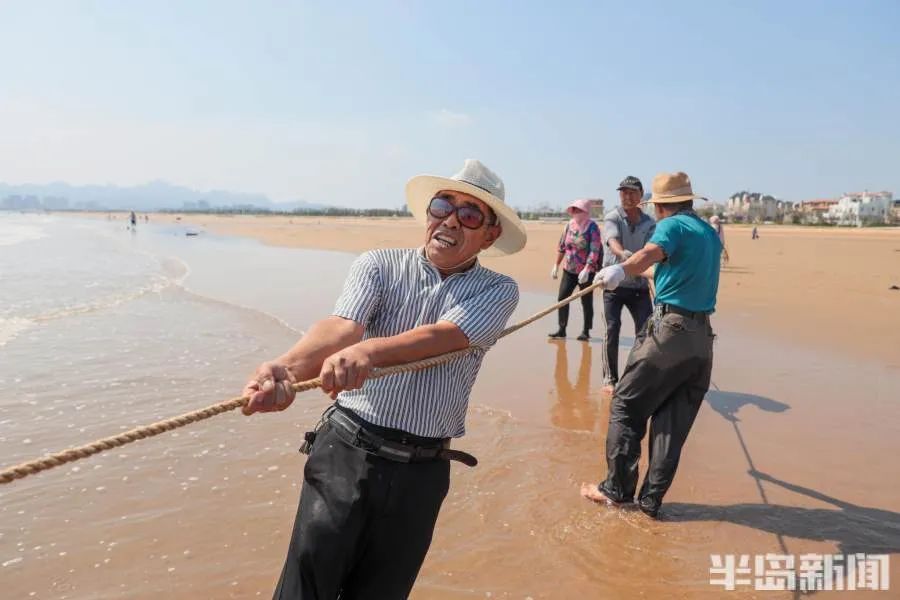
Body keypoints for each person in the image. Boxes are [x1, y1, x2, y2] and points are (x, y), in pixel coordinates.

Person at [241, 159, 526, 600]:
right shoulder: (379, 264)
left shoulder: (498, 289)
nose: (450, 219)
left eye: (469, 214)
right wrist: (288, 369)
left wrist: (367, 352)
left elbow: (447, 336)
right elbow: (342, 328)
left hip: (423, 473)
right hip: (345, 453)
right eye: (442, 205)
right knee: (304, 587)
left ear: (490, 235)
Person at [582, 171, 721, 518]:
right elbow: (665, 271)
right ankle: (650, 502)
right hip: (702, 341)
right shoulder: (708, 233)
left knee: (626, 407)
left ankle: (616, 490)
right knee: (671, 427)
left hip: (669, 332)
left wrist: (620, 269)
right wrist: (628, 271)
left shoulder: (671, 227)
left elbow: (649, 254)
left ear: (659, 206)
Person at [599, 176, 656, 393]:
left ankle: (637, 377)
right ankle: (609, 378)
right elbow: (612, 241)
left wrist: (647, 269)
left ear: (641, 195)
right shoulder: (613, 216)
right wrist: (623, 254)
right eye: (623, 192)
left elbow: (651, 251)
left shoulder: (650, 224)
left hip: (639, 286)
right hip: (613, 284)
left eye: (632, 192)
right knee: (611, 329)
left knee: (646, 332)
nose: (627, 196)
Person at [549, 198, 602, 341]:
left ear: (586, 211)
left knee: (586, 300)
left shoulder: (593, 227)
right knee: (562, 298)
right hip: (569, 270)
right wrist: (556, 265)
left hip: (586, 272)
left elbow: (595, 249)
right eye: (575, 210)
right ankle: (562, 329)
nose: (576, 212)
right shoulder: (568, 226)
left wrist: (588, 268)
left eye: (579, 210)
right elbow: (562, 247)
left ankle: (586, 330)